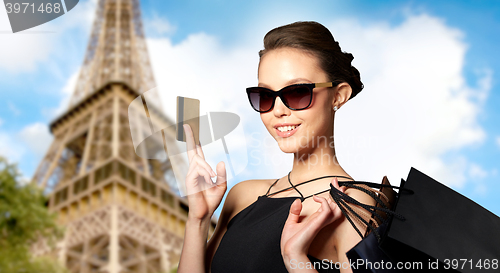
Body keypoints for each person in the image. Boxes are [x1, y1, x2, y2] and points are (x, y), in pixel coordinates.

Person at [178, 21, 384, 273]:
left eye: (297, 92)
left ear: (338, 95)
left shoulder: (354, 206)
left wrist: (294, 257)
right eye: (264, 96)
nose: (277, 111)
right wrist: (197, 221)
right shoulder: (242, 196)